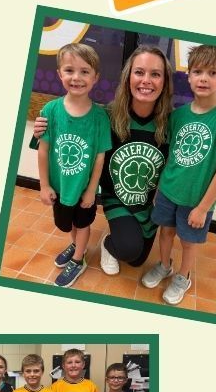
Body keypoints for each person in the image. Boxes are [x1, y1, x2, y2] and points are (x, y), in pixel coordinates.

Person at [34, 45, 175, 276]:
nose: (146, 80)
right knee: (127, 248)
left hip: (147, 201)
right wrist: (41, 128)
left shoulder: (172, 121)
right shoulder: (107, 115)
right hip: (117, 198)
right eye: (139, 72)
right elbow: (75, 125)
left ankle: (121, 238)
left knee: (137, 260)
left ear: (165, 81)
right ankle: (109, 243)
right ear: (128, 76)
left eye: (155, 74)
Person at [140, 44, 216, 304]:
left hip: (196, 200)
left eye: (212, 72)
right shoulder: (179, 115)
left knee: (188, 242)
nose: (204, 78)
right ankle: (165, 265)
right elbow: (171, 155)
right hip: (168, 192)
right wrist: (160, 189)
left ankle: (182, 277)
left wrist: (203, 207)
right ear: (189, 76)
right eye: (197, 71)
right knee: (165, 232)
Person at [37, 43, 111, 287]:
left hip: (83, 189)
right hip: (60, 187)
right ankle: (75, 244)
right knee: (67, 224)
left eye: (84, 71)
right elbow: (44, 150)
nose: (76, 77)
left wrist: (91, 190)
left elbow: (100, 157)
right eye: (69, 70)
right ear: (59, 74)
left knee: (83, 223)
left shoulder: (100, 117)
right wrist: (44, 184)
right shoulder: (51, 110)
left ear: (95, 77)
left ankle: (78, 260)